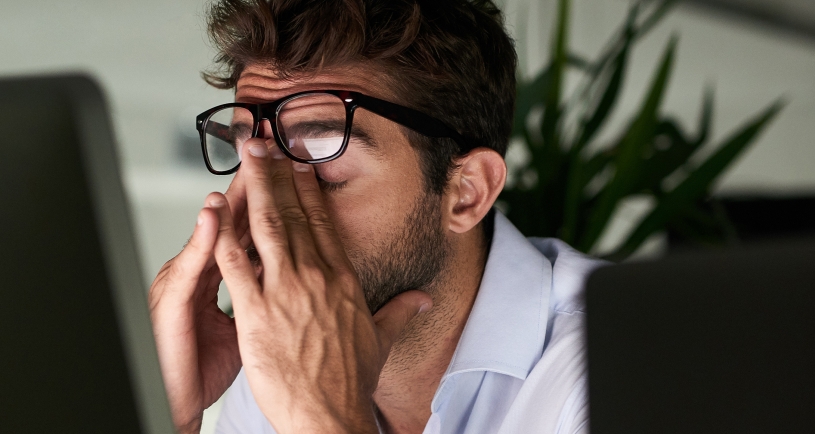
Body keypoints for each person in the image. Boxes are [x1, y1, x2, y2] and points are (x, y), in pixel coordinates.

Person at [147, 0, 605, 432]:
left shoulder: (623, 364)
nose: (263, 213)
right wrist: (164, 416)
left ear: (468, 192)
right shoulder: (279, 352)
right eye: (251, 160)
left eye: (322, 162)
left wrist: (324, 416)